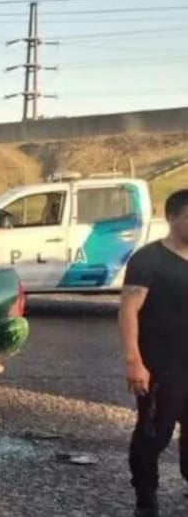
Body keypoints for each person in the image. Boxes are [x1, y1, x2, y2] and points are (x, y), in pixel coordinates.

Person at [119, 189, 188, 517]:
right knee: (154, 435)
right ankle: (146, 499)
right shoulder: (149, 260)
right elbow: (128, 310)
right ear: (171, 218)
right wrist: (134, 361)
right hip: (161, 368)